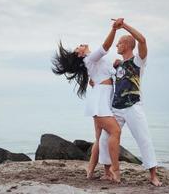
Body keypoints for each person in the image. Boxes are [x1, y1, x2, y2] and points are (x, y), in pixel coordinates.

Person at [51, 19, 124, 183]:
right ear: (80, 54)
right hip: (100, 101)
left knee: (101, 139)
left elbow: (107, 71)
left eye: (79, 45)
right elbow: (105, 47)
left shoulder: (92, 61)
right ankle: (115, 170)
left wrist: (117, 64)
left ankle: (91, 170)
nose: (81, 45)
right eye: (78, 47)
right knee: (115, 132)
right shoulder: (90, 59)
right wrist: (114, 29)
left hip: (102, 98)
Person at [95, 20, 162, 186]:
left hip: (133, 106)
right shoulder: (117, 65)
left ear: (126, 45)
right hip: (116, 108)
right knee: (104, 139)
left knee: (143, 138)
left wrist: (123, 26)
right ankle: (107, 172)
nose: (116, 46)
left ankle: (153, 175)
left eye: (119, 43)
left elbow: (143, 40)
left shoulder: (139, 61)